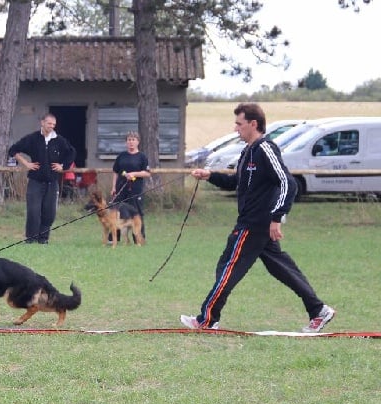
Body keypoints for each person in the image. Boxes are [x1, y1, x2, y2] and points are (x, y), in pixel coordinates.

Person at [182, 103, 335, 333]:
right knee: (281, 269)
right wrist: (209, 175)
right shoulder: (248, 151)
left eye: (239, 124)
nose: (235, 129)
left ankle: (207, 319)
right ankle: (319, 310)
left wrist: (277, 217)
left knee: (228, 267)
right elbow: (235, 182)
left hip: (254, 225)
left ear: (253, 124)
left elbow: (288, 183)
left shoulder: (265, 149)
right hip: (254, 225)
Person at [8, 113, 76, 244]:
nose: (51, 126)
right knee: (33, 211)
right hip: (35, 181)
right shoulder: (32, 138)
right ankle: (31, 239)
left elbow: (71, 153)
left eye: (54, 124)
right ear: (42, 122)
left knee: (49, 212)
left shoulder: (59, 140)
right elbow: (13, 150)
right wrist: (26, 163)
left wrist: (63, 166)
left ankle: (43, 239)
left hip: (52, 182)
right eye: (49, 123)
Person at [110, 131, 150, 243]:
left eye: (133, 140)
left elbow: (147, 173)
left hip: (135, 189)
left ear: (138, 142)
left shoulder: (142, 157)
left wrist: (134, 174)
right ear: (126, 142)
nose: (131, 142)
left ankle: (139, 238)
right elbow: (115, 172)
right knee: (116, 212)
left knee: (136, 213)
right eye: (129, 140)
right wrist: (113, 187)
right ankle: (113, 238)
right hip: (121, 188)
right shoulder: (121, 156)